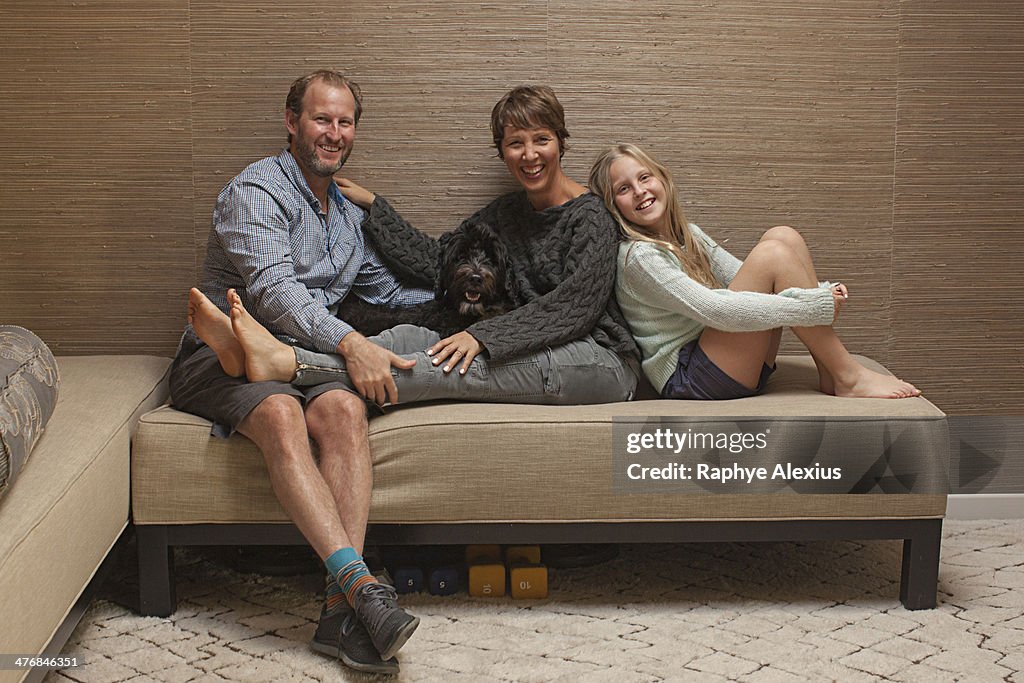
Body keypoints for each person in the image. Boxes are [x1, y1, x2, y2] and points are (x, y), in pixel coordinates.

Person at [169, 70, 427, 675]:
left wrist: (476, 308)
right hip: (222, 356)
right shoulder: (255, 190)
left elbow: (387, 293)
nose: (334, 133)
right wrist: (351, 342)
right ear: (292, 122)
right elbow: (275, 291)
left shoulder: (347, 217)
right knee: (282, 410)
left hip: (302, 360)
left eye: (344, 122)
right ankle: (363, 592)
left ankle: (343, 609)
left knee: (343, 409)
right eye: (321, 119)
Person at [192, 85, 640, 407]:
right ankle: (272, 356)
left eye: (541, 140)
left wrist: (482, 336)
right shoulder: (505, 214)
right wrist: (376, 209)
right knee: (408, 336)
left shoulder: (591, 217)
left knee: (457, 366)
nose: (529, 155)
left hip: (596, 357)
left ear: (561, 142)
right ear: (501, 151)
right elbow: (440, 261)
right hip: (521, 340)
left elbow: (571, 310)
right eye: (514, 143)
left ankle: (290, 363)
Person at [587, 143, 921, 401]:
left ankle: (830, 372)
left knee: (783, 236)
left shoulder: (687, 233)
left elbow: (741, 277)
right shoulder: (638, 257)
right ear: (615, 206)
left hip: (724, 361)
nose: (640, 191)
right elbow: (716, 310)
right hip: (691, 377)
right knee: (772, 253)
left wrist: (814, 295)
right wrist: (811, 304)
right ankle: (849, 376)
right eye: (624, 189)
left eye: (644, 178)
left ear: (662, 179)